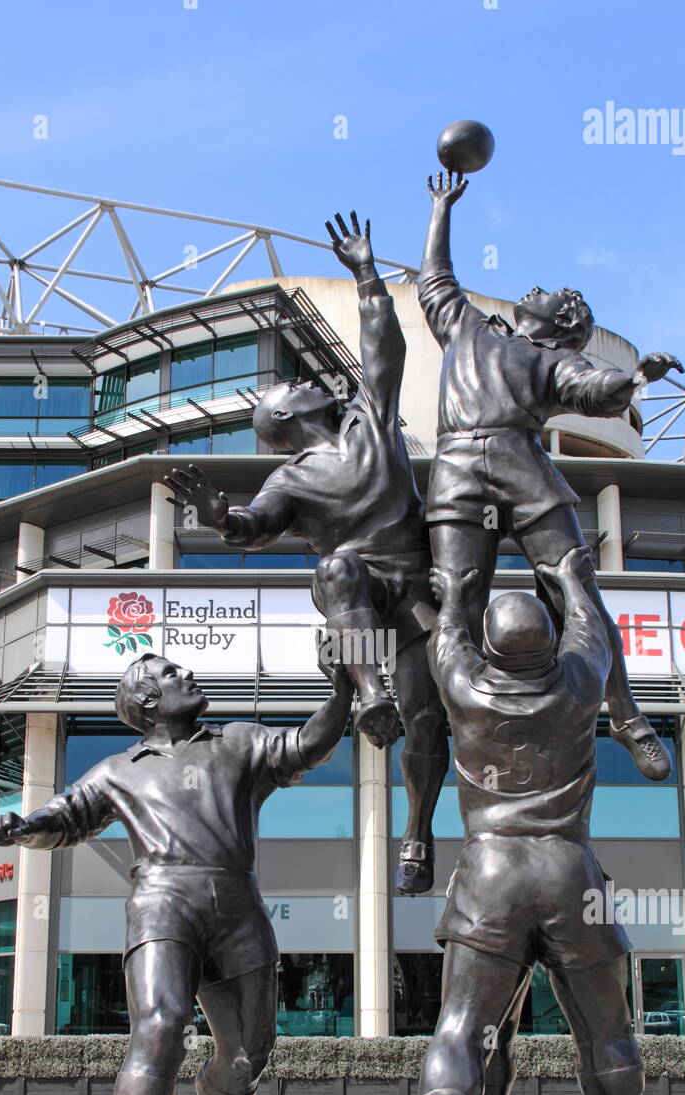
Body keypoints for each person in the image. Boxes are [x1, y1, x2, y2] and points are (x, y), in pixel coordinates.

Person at [0, 651, 353, 1095]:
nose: (186, 675)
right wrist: (25, 827)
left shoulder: (237, 742)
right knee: (159, 1028)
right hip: (162, 901)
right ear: (148, 701)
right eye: (170, 673)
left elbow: (307, 745)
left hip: (237, 904)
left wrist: (341, 691)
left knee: (249, 1053)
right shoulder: (117, 770)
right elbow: (67, 815)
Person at [386, 547, 669, 1095]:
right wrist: (572, 573)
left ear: (489, 649)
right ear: (550, 646)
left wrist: (453, 583)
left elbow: (447, 620)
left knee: (460, 1030)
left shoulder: (464, 687)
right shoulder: (577, 682)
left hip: (491, 874)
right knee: (607, 1036)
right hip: (572, 871)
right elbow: (592, 624)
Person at [163, 211, 448, 895]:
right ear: (285, 418)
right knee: (336, 566)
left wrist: (367, 273)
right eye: (291, 387)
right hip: (359, 590)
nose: (305, 381)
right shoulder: (288, 479)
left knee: (430, 721)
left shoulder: (368, 418)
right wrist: (220, 516)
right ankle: (368, 694)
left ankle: (418, 832)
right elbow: (256, 525)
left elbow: (385, 350)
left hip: (415, 587)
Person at [418, 171, 683, 782]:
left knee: (576, 588)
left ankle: (628, 719)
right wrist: (441, 208)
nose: (533, 287)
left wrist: (637, 377)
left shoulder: (556, 359)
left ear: (564, 320)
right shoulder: (470, 326)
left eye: (551, 291)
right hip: (457, 470)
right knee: (455, 598)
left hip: (523, 466)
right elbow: (435, 276)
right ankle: (459, 722)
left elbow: (597, 393)